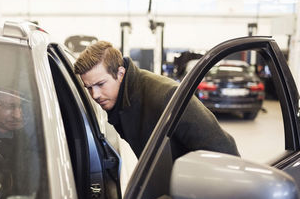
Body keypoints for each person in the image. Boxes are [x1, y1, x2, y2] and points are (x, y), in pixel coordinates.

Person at [74, 41, 240, 161]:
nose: (94, 95)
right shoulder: (122, 102)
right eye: (88, 88)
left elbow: (224, 150)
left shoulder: (167, 97)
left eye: (100, 84)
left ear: (120, 73)